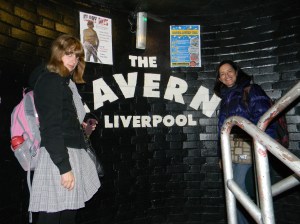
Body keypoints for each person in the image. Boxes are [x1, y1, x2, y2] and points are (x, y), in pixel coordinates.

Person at [28, 34, 100, 224]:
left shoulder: (64, 83)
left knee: (67, 214)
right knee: (52, 215)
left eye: (77, 57)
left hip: (68, 153)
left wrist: (83, 128)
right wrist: (64, 167)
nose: (73, 61)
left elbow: (64, 122)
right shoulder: (50, 80)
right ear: (57, 54)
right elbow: (50, 128)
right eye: (69, 54)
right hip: (58, 156)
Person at [214, 60, 276, 224]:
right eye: (222, 74)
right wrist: (221, 155)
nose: (226, 75)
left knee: (239, 189)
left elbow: (266, 120)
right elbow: (221, 130)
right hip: (230, 150)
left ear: (236, 71)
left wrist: (264, 149)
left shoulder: (252, 90)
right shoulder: (225, 99)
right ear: (219, 79)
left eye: (229, 71)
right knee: (232, 190)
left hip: (249, 147)